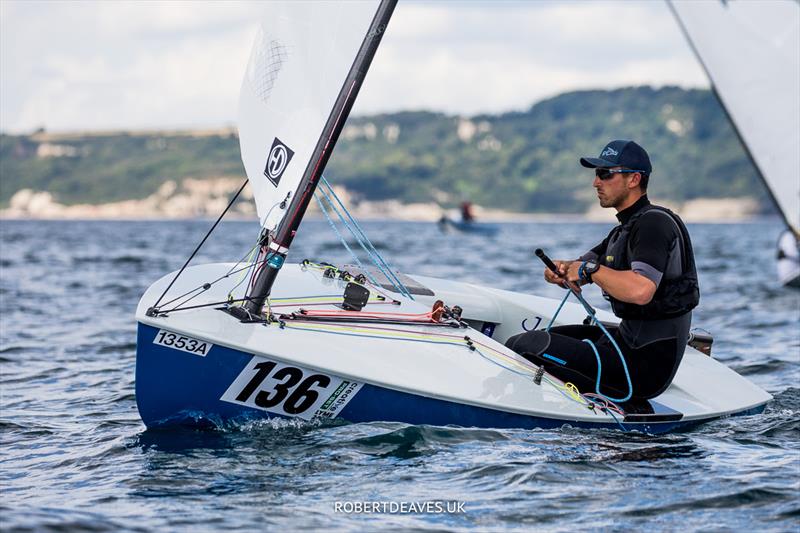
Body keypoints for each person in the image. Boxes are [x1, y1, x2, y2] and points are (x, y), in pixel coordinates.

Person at [505, 140, 699, 401]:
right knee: (527, 340)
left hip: (643, 368)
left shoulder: (654, 224)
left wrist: (587, 270)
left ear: (634, 179)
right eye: (597, 174)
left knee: (527, 346)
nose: (596, 183)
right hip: (627, 345)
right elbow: (580, 267)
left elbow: (641, 290)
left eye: (605, 174)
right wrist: (561, 271)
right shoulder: (625, 229)